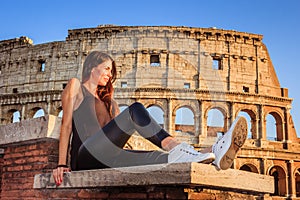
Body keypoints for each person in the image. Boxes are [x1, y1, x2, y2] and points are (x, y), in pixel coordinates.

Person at [52, 51, 248, 186]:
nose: (109, 75)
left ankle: (213, 152)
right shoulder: (76, 87)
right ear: (92, 67)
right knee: (135, 109)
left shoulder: (110, 103)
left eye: (111, 71)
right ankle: (173, 144)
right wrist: (61, 164)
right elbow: (66, 125)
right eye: (106, 69)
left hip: (109, 156)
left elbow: (116, 136)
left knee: (162, 158)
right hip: (85, 155)